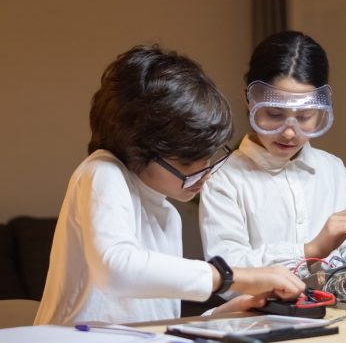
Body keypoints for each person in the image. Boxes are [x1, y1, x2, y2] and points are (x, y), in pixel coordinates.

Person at [34, 44, 305, 326]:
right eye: (189, 163)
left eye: (209, 159)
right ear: (140, 150)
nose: (205, 174)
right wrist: (231, 276)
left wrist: (234, 310)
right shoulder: (102, 171)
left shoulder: (168, 217)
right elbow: (116, 269)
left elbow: (158, 324)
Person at [199, 30, 346, 280]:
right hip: (259, 319)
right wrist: (311, 250)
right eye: (274, 114)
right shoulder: (224, 179)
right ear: (249, 100)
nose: (290, 133)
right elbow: (226, 273)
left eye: (304, 117)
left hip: (339, 317)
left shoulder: (335, 173)